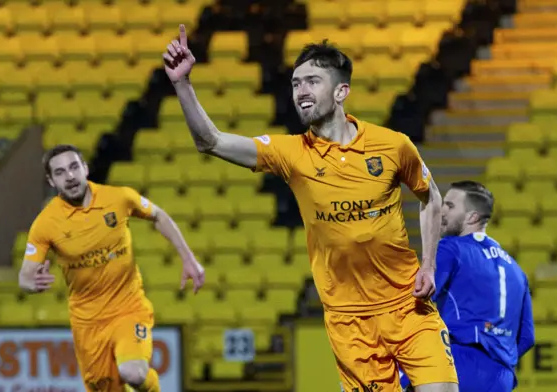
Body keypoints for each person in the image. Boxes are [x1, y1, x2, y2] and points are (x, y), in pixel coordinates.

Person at [164, 24, 458, 392]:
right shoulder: (291, 154)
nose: (300, 91)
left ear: (340, 91)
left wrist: (428, 263)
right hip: (349, 322)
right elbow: (211, 141)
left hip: (407, 305)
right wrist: (182, 85)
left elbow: (431, 198)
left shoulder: (393, 146)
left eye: (312, 81)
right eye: (295, 83)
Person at [18, 144, 205, 392]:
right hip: (88, 324)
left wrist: (189, 259)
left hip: (128, 308)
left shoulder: (118, 198)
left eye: (74, 167)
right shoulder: (45, 224)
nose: (70, 176)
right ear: (52, 181)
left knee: (134, 373)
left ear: (85, 168)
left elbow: (158, 215)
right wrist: (30, 284)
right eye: (61, 172)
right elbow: (25, 276)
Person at [431, 181, 535, 392]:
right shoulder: (517, 271)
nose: (441, 211)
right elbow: (527, 338)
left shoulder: (451, 248)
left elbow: (420, 300)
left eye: (450, 206)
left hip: (457, 361)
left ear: (472, 217)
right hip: (501, 377)